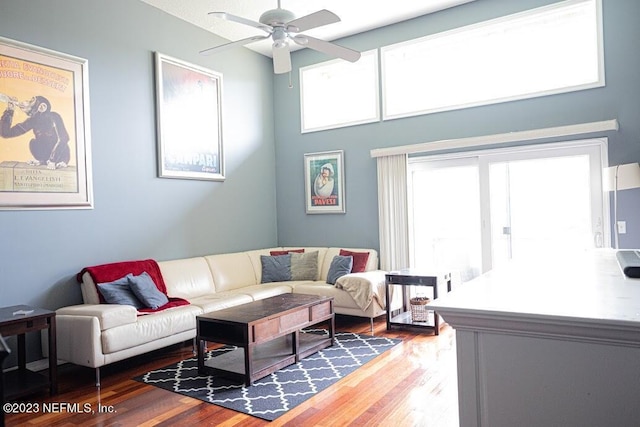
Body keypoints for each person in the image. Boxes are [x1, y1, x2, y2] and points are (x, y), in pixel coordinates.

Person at [0, 95, 71, 169]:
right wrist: (9, 111)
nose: (27, 102)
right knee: (33, 143)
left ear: (42, 107)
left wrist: (52, 160)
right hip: (46, 158)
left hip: (61, 155)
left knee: (55, 141)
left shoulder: (54, 116)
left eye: (31, 101)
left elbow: (64, 138)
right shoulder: (32, 121)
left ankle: (54, 161)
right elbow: (5, 133)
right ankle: (42, 161)